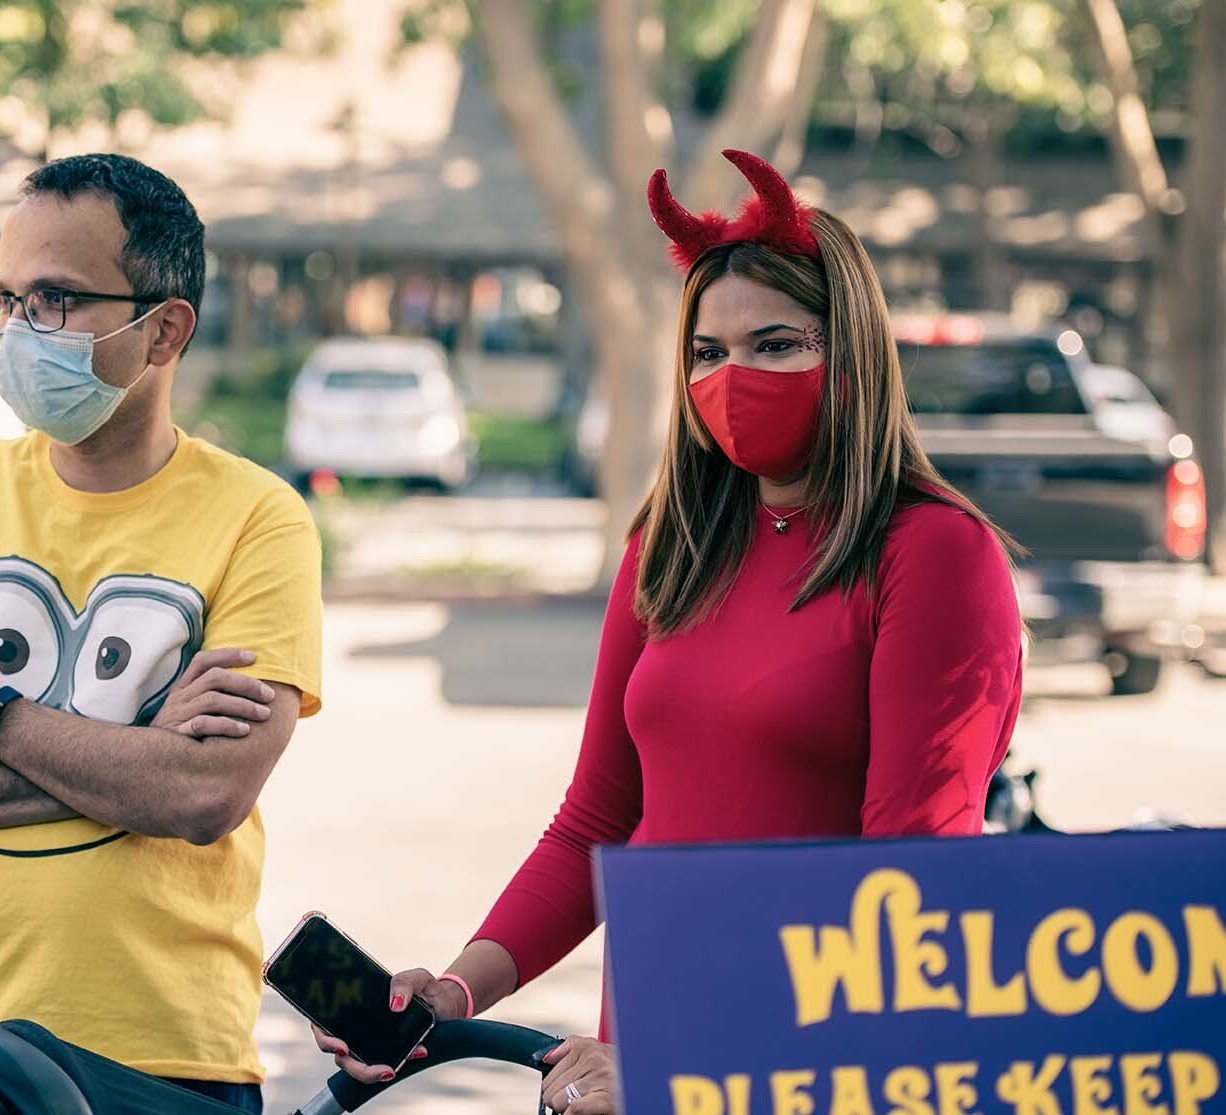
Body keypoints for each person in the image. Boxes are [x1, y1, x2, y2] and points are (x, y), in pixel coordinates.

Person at [313, 151, 1026, 1113]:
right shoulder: (671, 545)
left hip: (804, 1077)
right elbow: (596, 825)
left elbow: (910, 896)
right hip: (637, 1071)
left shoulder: (934, 552)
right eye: (708, 352)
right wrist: (453, 991)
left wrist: (690, 1069)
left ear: (852, 354)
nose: (735, 376)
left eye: (776, 344)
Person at [0, 154, 322, 1113]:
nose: (20, 331)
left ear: (164, 329)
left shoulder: (259, 518)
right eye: (7, 300)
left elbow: (206, 792)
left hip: (167, 1054)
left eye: (54, 298)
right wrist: (133, 759)